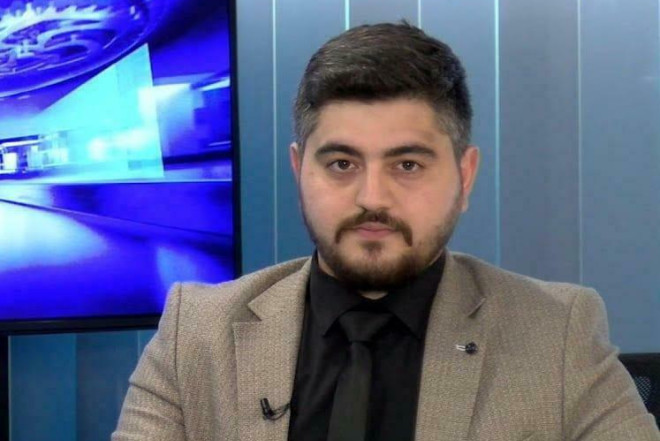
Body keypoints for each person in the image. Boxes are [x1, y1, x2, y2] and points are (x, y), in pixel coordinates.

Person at [113, 22, 660, 441]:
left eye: (408, 165)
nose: (372, 197)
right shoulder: (196, 334)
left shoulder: (557, 332)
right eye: (342, 164)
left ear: (465, 176)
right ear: (299, 170)